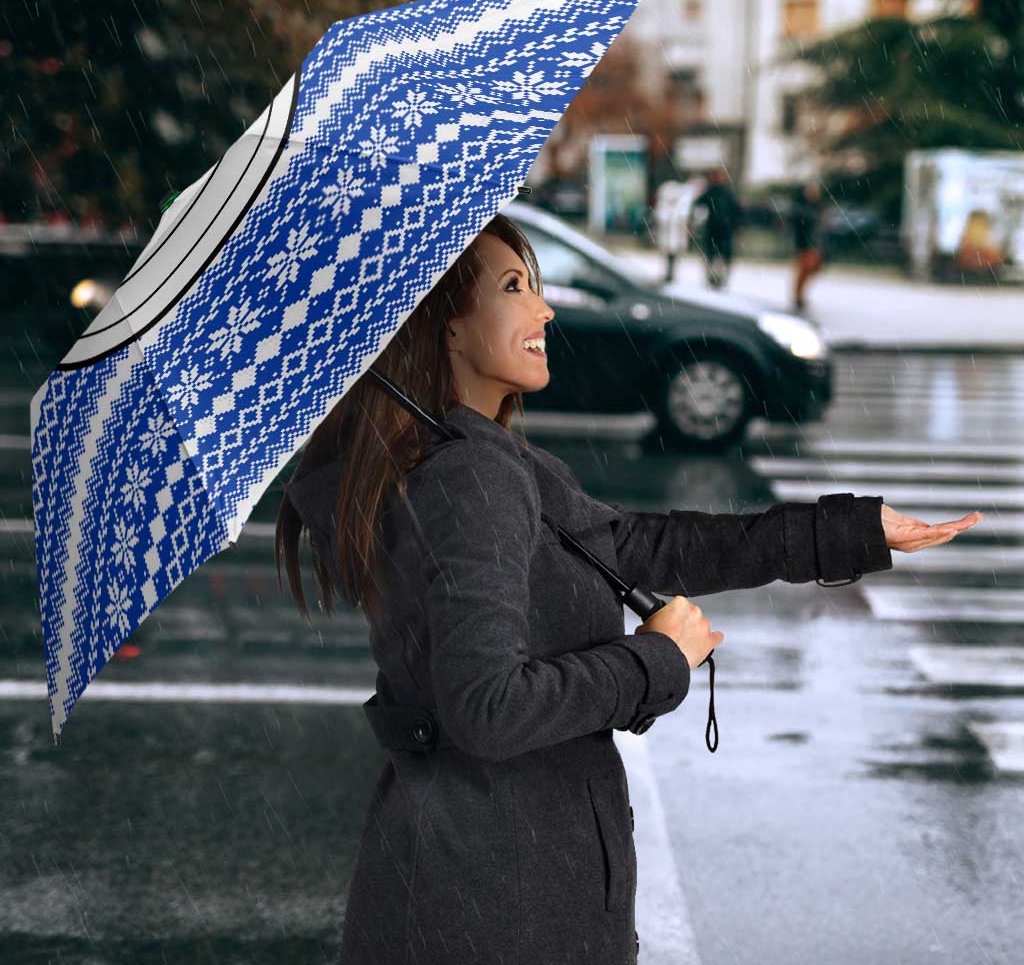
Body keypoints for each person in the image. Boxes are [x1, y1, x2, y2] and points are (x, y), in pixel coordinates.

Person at [275, 212, 976, 965]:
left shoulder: (474, 458)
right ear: (445, 326)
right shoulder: (469, 477)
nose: (544, 309)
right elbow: (487, 709)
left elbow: (638, 546)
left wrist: (850, 532)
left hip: (480, 881)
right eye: (514, 287)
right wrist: (656, 660)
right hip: (500, 904)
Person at [692, 167, 742, 290]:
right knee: (713, 255)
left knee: (720, 256)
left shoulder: (725, 193)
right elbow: (698, 205)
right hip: (715, 229)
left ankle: (719, 278)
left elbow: (736, 211)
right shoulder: (712, 192)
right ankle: (713, 278)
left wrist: (735, 225)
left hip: (723, 229)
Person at [790, 180, 826, 312]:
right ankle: (798, 296)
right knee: (804, 270)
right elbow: (799, 227)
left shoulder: (817, 207)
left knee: (812, 269)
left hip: (814, 244)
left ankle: (800, 295)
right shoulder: (802, 208)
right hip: (805, 244)